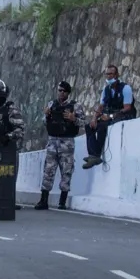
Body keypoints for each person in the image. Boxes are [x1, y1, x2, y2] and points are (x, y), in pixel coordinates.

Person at [37, 80, 86, 210]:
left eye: (64, 91)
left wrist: (73, 118)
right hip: (53, 141)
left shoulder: (76, 106)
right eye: (60, 90)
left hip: (67, 142)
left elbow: (82, 123)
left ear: (68, 93)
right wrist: (46, 116)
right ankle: (43, 200)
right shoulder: (52, 104)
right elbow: (44, 122)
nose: (61, 93)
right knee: (48, 170)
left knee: (66, 171)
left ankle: (62, 201)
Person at [83, 64, 136, 169]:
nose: (108, 76)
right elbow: (101, 106)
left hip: (124, 115)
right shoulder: (106, 90)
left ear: (117, 75)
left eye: (111, 74)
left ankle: (95, 155)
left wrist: (110, 116)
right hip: (111, 115)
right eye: (107, 74)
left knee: (102, 126)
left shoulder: (125, 88)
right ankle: (93, 155)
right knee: (90, 126)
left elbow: (127, 108)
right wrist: (94, 118)